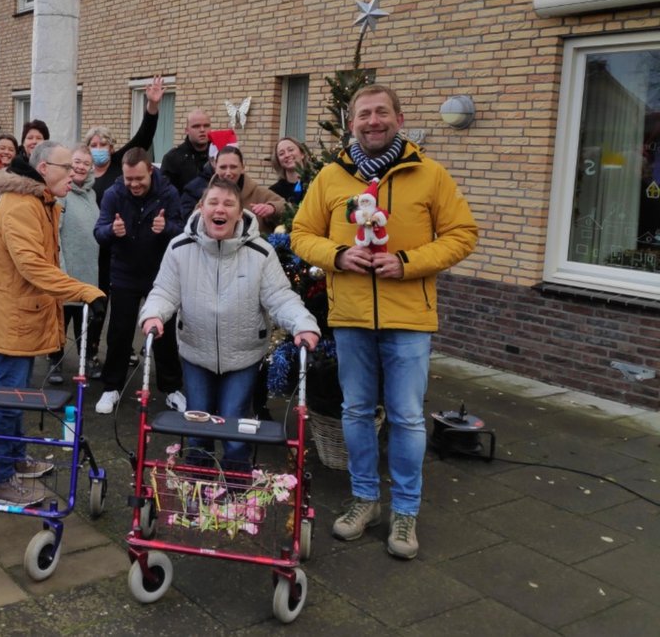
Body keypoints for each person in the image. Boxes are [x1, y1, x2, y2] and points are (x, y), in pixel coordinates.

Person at [291, 84, 478, 560]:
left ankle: (406, 511)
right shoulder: (331, 177)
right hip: (351, 316)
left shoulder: (429, 174)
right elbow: (301, 233)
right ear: (352, 122)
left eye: (381, 113)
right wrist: (337, 255)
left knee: (407, 417)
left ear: (399, 117)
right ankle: (365, 499)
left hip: (409, 318)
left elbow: (462, 234)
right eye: (363, 114)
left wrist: (408, 262)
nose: (372, 121)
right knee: (356, 411)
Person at [140, 177, 320, 470]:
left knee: (235, 426)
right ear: (201, 207)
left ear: (239, 211)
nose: (219, 209)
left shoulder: (260, 252)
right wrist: (153, 315)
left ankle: (236, 484)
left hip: (243, 356)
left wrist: (303, 324)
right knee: (197, 425)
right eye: (213, 202)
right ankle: (197, 482)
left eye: (228, 204)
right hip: (196, 352)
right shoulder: (179, 247)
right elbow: (164, 291)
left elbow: (280, 297)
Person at [0, 141, 106, 507]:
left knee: (19, 394)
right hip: (10, 317)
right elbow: (32, 266)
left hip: (20, 314)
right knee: (10, 399)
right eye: (67, 167)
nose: (75, 173)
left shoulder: (39, 201)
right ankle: (0, 479)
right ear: (44, 169)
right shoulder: (22, 205)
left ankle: (16, 458)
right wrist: (84, 291)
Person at [93, 147, 185, 415]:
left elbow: (182, 230)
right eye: (129, 179)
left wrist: (166, 229)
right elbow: (99, 232)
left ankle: (171, 388)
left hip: (160, 274)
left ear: (150, 172)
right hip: (124, 272)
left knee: (164, 334)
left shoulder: (168, 193)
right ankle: (112, 386)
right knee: (119, 332)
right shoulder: (113, 194)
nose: (134, 184)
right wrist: (112, 230)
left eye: (139, 179)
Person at [47, 145, 103, 383]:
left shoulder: (92, 194)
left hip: (88, 270)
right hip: (66, 270)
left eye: (86, 163)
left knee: (85, 321)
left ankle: (86, 359)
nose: (80, 167)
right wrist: (61, 269)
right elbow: (56, 234)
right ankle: (55, 361)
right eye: (77, 162)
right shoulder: (63, 193)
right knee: (61, 319)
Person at [180, 143, 288, 233]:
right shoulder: (208, 196)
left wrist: (273, 208)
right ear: (215, 168)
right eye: (223, 167)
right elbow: (193, 223)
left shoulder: (259, 193)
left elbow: (289, 208)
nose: (228, 172)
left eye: (233, 167)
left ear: (242, 168)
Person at [160, 108, 212, 196]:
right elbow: (165, 194)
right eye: (196, 126)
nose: (202, 130)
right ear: (187, 130)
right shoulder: (172, 159)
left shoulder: (219, 155)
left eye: (206, 126)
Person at [269, 137, 312, 204]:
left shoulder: (316, 183)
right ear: (278, 161)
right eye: (281, 153)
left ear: (302, 154)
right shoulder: (273, 192)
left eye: (291, 150)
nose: (287, 155)